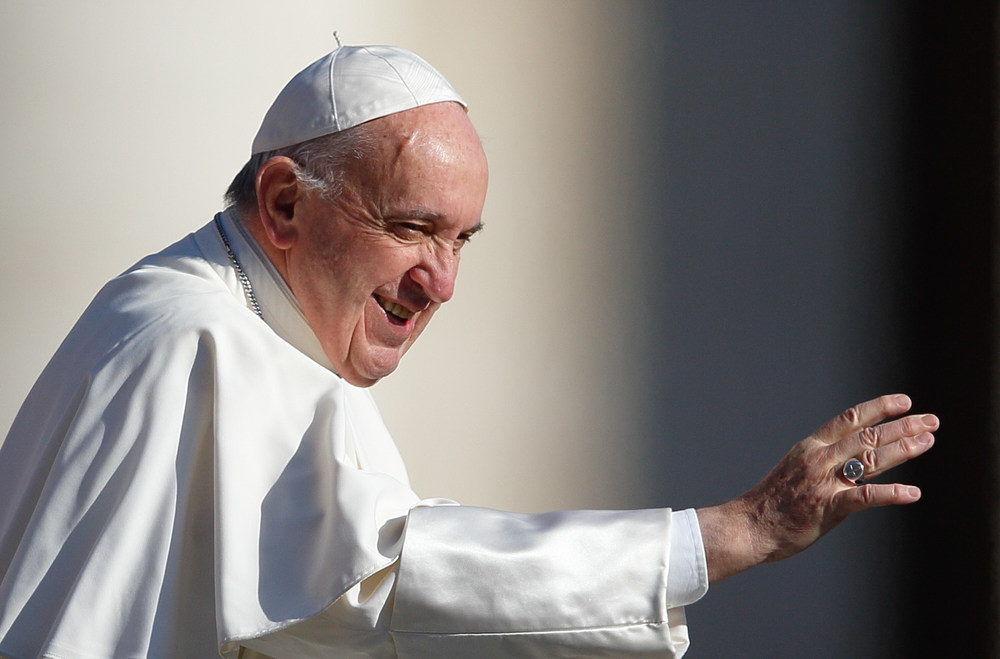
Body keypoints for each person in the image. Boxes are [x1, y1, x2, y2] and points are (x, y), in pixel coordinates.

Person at [0, 44, 937, 659]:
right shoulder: (198, 340)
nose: (439, 283)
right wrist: (737, 531)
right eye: (411, 229)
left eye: (462, 241)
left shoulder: (240, 324)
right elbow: (399, 577)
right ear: (285, 205)